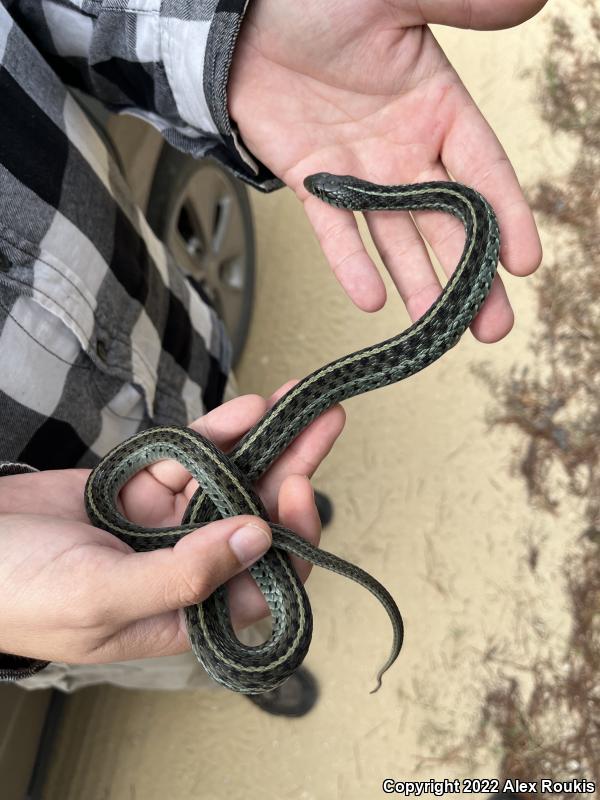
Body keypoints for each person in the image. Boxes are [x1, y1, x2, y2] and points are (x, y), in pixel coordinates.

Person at [0, 0, 545, 709]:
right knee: (174, 612)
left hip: (167, 347)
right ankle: (255, 665)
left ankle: (264, 514)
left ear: (356, 198)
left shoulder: (455, 202)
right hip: (54, 531)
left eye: (327, 196)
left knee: (243, 436)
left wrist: (238, 36)